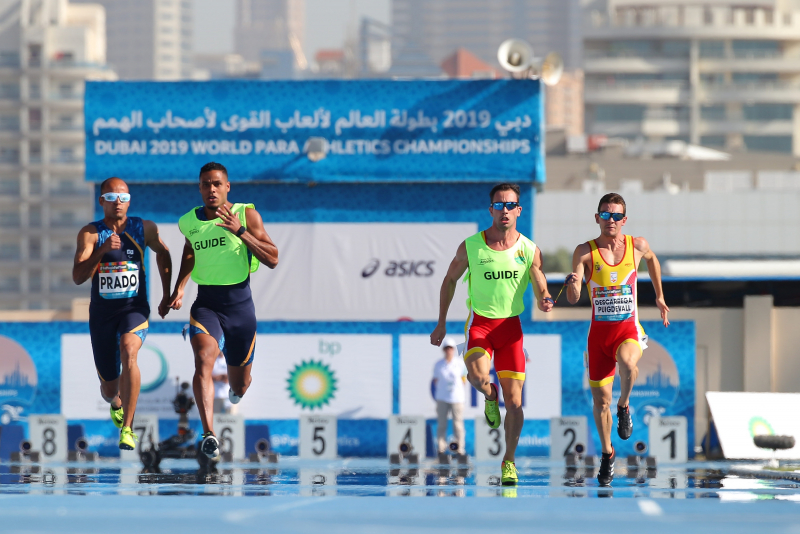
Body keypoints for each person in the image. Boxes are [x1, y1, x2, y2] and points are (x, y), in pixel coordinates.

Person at [430, 182, 553, 486]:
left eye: (510, 205)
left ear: (518, 210)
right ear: (491, 210)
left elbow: (540, 282)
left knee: (515, 404)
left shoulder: (528, 248)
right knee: (477, 377)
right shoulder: (472, 246)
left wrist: (545, 298)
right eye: (499, 205)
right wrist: (441, 322)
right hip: (481, 325)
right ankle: (488, 395)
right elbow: (449, 280)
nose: (505, 210)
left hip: (511, 329)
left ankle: (508, 462)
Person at [165, 162, 278, 459]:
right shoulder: (188, 221)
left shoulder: (245, 214)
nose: (211, 189)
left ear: (228, 187)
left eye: (217, 184)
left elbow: (273, 258)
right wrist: (180, 286)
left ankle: (237, 390)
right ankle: (208, 434)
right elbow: (191, 250)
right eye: (206, 184)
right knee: (203, 359)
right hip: (207, 305)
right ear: (199, 188)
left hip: (240, 308)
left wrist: (240, 231)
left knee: (240, 383)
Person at [565, 192, 670, 487]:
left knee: (627, 362)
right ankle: (608, 453)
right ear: (597, 218)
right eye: (605, 214)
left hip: (627, 330)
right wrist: (573, 284)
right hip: (598, 335)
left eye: (616, 216)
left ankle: (624, 405)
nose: (610, 220)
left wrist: (660, 296)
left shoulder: (637, 246)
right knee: (600, 402)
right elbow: (573, 299)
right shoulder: (584, 252)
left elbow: (653, 261)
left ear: (624, 220)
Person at [72, 177, 172, 451]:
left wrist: (167, 294)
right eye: (113, 197)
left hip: (134, 309)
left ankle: (127, 428)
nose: (119, 202)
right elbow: (78, 276)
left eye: (124, 198)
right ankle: (116, 402)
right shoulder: (91, 234)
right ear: (101, 200)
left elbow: (164, 254)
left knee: (130, 351)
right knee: (108, 389)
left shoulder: (145, 228)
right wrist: (102, 252)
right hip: (102, 315)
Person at [432, 337, 467, 455]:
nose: (448, 350)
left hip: (457, 398)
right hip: (442, 398)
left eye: (450, 348)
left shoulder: (460, 364)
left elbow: (464, 380)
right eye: (446, 348)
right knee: (442, 424)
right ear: (443, 350)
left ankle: (460, 448)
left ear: (453, 350)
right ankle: (441, 448)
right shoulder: (438, 364)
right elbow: (436, 380)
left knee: (458, 424)